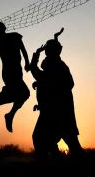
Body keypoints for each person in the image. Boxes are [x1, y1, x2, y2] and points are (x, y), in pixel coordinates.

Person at [30, 28, 84, 159]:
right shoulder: (53, 64)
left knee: (41, 138)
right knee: (49, 139)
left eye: (48, 49)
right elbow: (42, 76)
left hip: (57, 112)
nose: (46, 51)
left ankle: (51, 161)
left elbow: (65, 83)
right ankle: (55, 160)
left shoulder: (56, 65)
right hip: (53, 110)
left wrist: (43, 83)